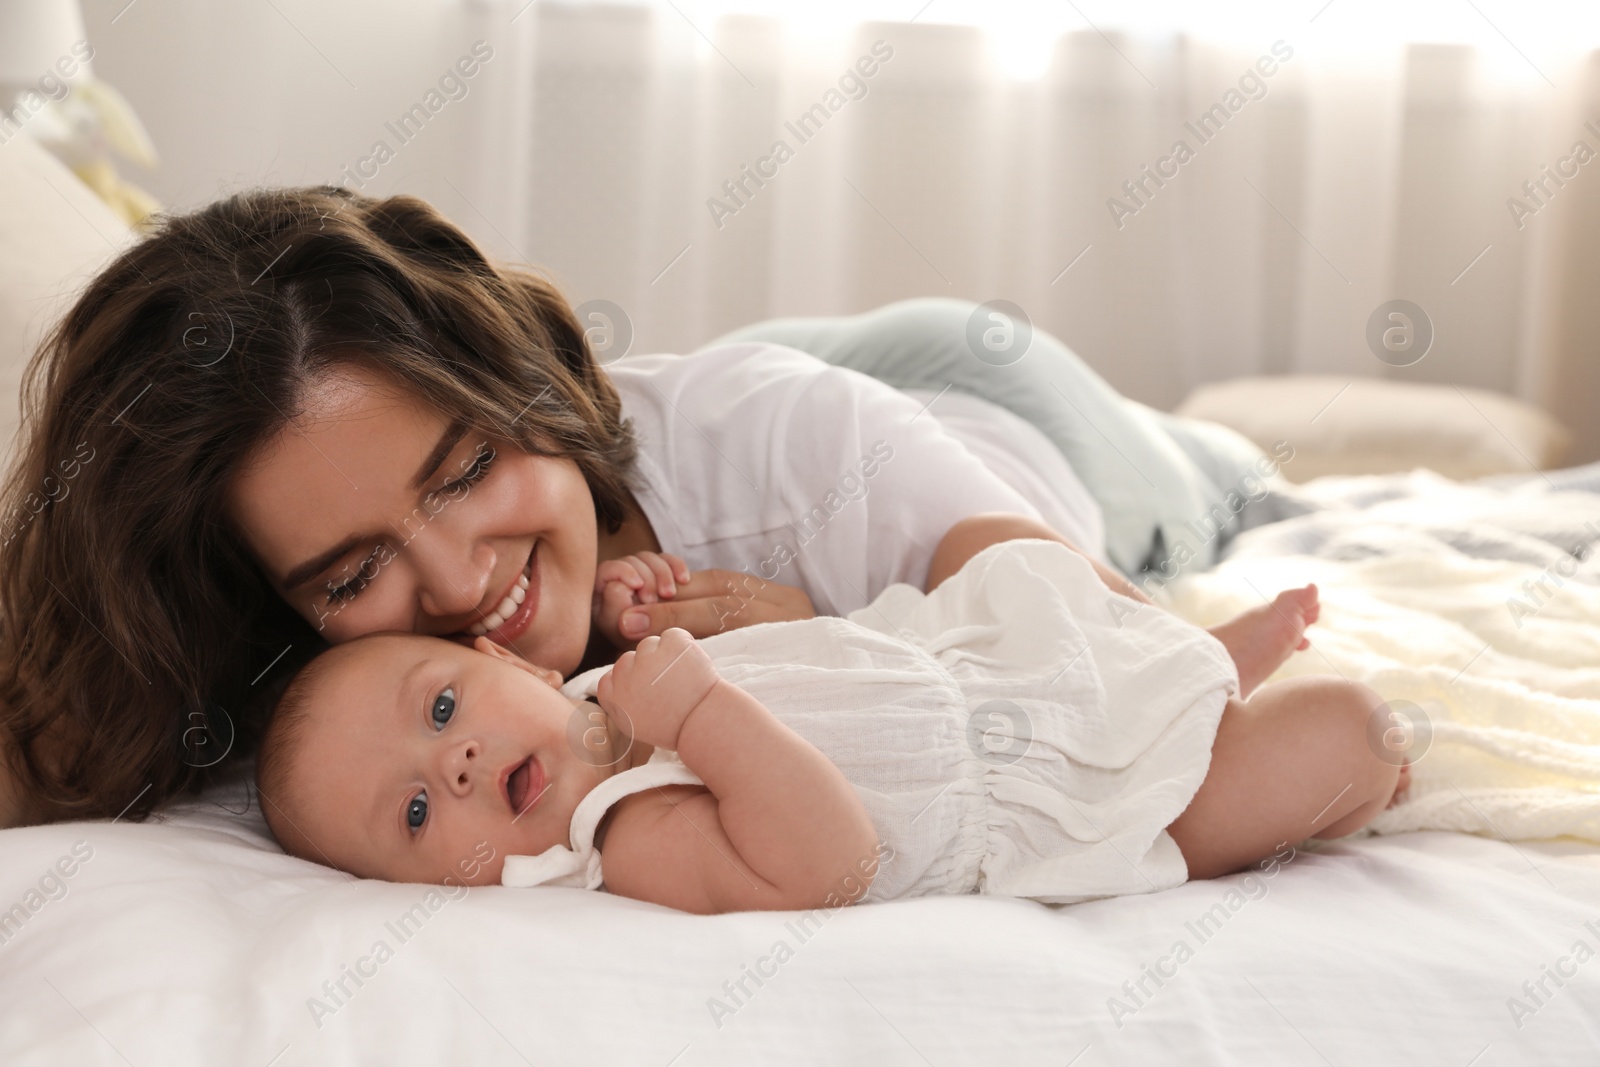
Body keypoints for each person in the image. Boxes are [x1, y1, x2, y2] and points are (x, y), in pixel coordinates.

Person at [0, 186, 1296, 827]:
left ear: (517, 383)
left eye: (460, 469)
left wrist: (844, 637)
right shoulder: (299, 669)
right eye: (351, 572)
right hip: (714, 396)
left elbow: (1149, 687)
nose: (458, 583)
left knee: (1218, 478)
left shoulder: (791, 452)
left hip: (1003, 412)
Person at [254, 538, 1407, 913]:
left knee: (1072, 601)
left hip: (962, 668)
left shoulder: (602, 691)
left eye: (443, 707)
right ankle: (1326, 759)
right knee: (1349, 728)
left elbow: (789, 648)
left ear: (500, 653)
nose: (451, 759)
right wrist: (699, 710)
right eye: (414, 809)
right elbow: (827, 860)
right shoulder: (620, 835)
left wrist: (648, 606)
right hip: (1025, 810)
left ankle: (1199, 662)